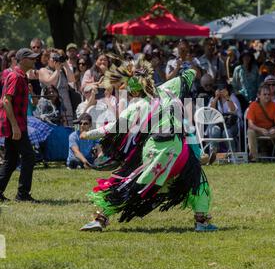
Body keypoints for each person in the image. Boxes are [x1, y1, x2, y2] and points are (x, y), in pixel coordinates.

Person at [79, 61, 217, 233]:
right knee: (196, 178)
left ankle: (100, 218)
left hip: (155, 152)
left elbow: (113, 127)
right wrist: (187, 66)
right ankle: (201, 221)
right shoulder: (169, 88)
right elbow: (189, 75)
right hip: (178, 152)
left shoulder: (138, 105)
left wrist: (88, 134)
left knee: (131, 186)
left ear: (135, 91)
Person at [0, 48, 40, 202]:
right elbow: (6, 101)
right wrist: (15, 126)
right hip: (14, 124)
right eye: (31, 58)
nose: (34, 60)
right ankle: (22, 195)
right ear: (23, 60)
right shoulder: (16, 76)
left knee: (11, 160)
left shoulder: (21, 76)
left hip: (16, 123)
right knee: (29, 156)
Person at [246, 84, 275, 163]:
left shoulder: (274, 105)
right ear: (258, 95)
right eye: (264, 94)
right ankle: (253, 158)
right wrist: (261, 129)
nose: (267, 96)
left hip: (270, 131)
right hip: (258, 130)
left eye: (268, 94)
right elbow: (250, 124)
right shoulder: (253, 105)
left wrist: (274, 129)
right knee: (250, 132)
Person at [39, 51, 75, 126]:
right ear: (47, 59)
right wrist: (57, 70)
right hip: (51, 106)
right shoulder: (43, 70)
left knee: (68, 128)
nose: (57, 60)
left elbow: (72, 80)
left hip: (65, 105)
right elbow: (50, 83)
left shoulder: (62, 71)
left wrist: (66, 65)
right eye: (54, 58)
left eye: (58, 57)